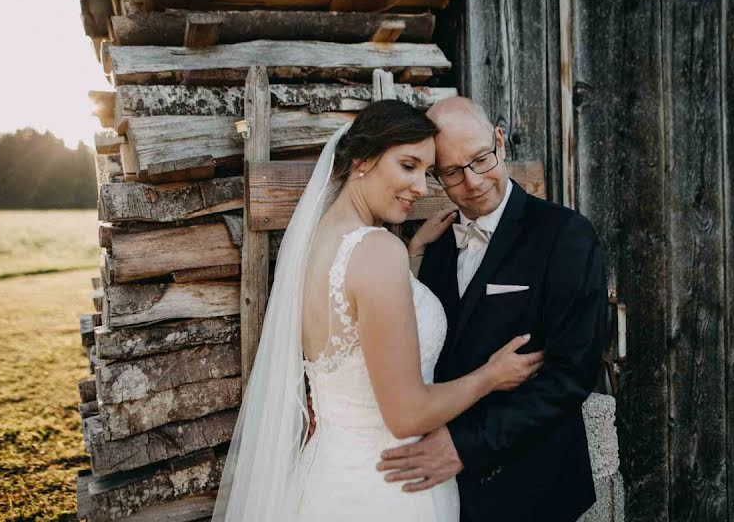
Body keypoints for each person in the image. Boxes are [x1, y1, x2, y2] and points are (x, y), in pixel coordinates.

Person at [211, 99, 543, 521]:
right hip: (389, 490)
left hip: (327, 476)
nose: (422, 188)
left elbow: (354, 340)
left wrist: (413, 256)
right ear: (363, 160)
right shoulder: (377, 250)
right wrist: (491, 376)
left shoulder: (315, 244)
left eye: (427, 172)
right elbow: (407, 415)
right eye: (408, 166)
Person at [378, 97, 607, 522]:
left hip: (532, 487)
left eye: (481, 159)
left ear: (499, 142)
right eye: (451, 171)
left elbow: (570, 375)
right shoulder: (437, 246)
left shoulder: (565, 235)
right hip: (445, 493)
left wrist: (467, 444)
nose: (472, 181)